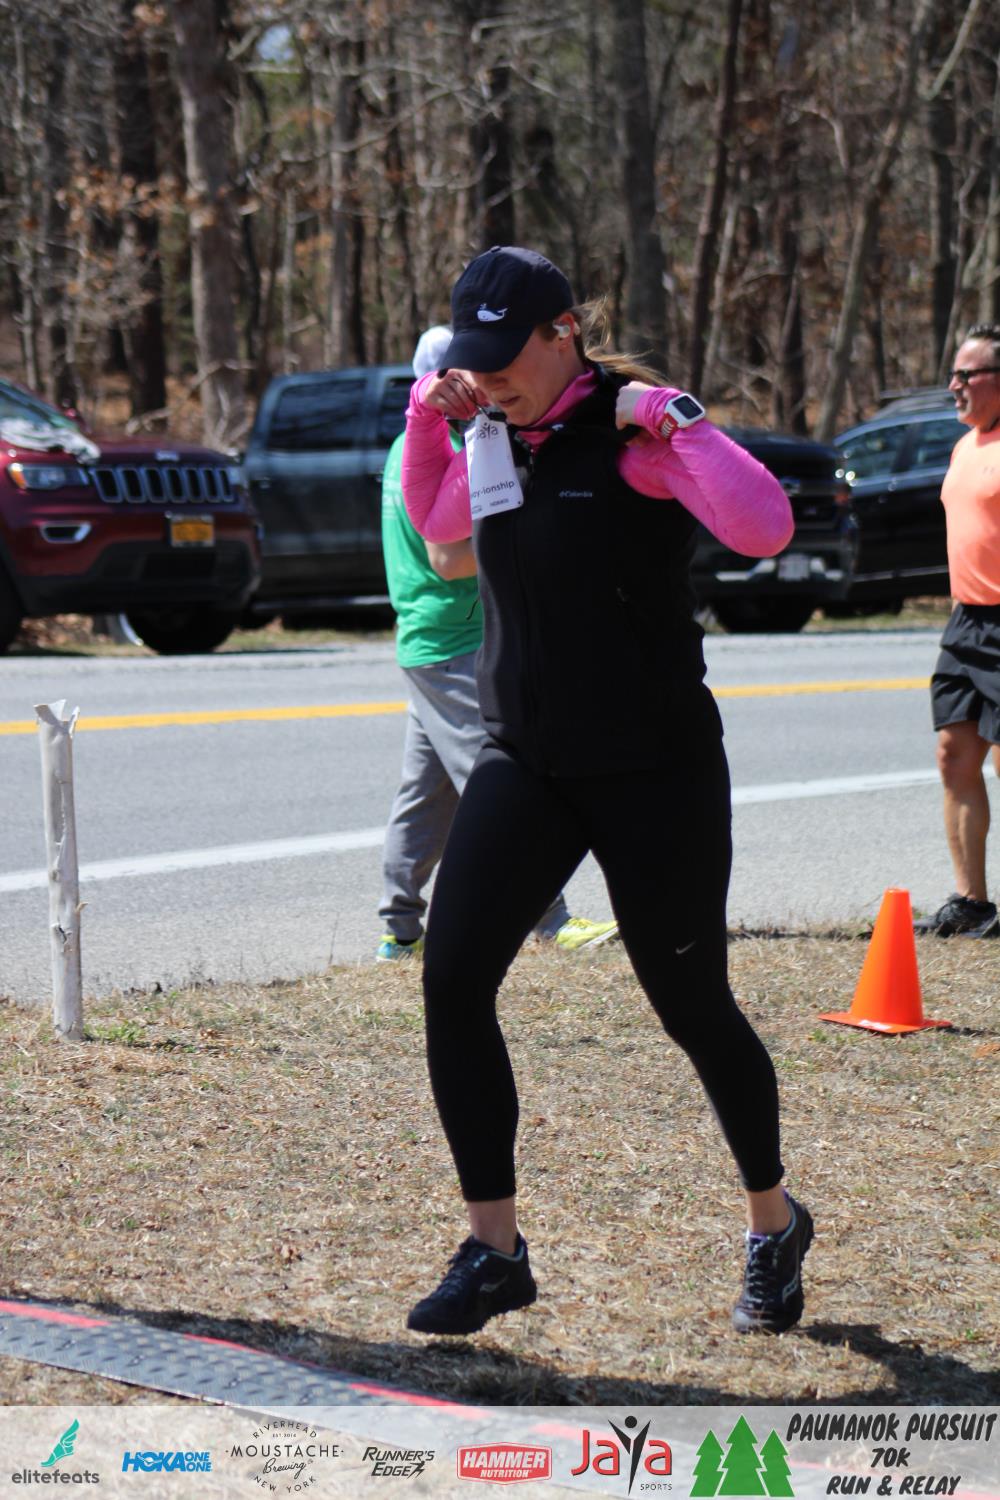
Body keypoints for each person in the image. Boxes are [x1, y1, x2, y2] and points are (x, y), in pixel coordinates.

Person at [398, 245, 814, 1338]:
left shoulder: (635, 441)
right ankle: (494, 1252)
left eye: (506, 356)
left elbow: (764, 528)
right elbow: (439, 536)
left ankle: (773, 1223)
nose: (489, 376)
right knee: (452, 980)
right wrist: (428, 419)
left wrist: (674, 416)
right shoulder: (491, 436)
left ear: (564, 333)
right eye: (473, 358)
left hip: (653, 767)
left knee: (692, 1007)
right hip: (525, 761)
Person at [377, 324, 619, 961]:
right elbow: (446, 560)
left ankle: (399, 930)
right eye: (472, 380)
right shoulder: (442, 449)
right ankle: (551, 918)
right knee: (501, 778)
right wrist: (529, 536)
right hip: (453, 639)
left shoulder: (407, 445)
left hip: (427, 641)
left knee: (425, 795)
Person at [914, 324, 1000, 939]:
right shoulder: (966, 445)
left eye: (967, 374)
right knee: (954, 755)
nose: (954, 385)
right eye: (954, 373)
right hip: (966, 621)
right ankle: (973, 903)